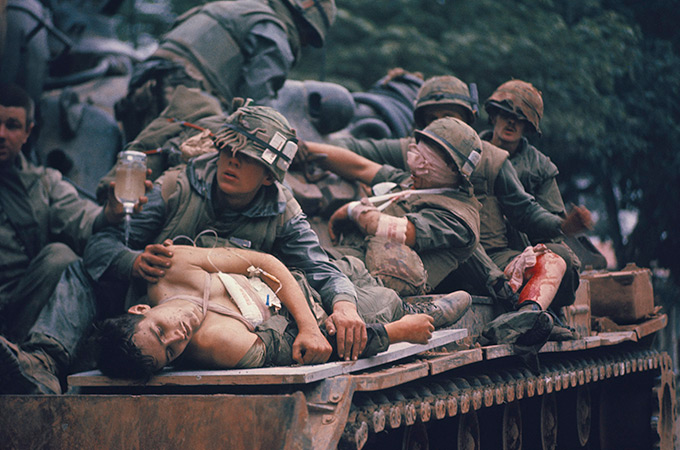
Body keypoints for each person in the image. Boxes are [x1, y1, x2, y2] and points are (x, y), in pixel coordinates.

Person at [0, 104, 372, 395]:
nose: (233, 161)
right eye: (228, 150)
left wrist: (344, 305)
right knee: (77, 268)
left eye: (248, 158)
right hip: (149, 312)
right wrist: (132, 262)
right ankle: (44, 362)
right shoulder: (176, 186)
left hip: (222, 326)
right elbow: (102, 244)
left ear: (270, 174)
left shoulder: (283, 212)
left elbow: (320, 267)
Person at [95, 244, 470, 380]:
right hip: (319, 317)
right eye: (172, 351)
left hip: (299, 285)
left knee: (353, 263)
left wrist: (306, 322)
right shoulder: (218, 343)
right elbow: (316, 347)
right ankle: (411, 308)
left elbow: (263, 261)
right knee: (384, 299)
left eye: (161, 330)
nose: (179, 336)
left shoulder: (172, 268)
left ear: (141, 308)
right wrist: (397, 332)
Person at [0, 83, 148, 340]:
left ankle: (23, 355)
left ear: (27, 133)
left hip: (19, 303)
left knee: (60, 256)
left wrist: (110, 213)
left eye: (12, 126)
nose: (1, 134)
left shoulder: (42, 183)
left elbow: (80, 217)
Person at [115, 0, 336, 142]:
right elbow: (258, 106)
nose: (305, 44)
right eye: (309, 37)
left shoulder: (237, 6)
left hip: (142, 87)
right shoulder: (272, 30)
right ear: (302, 22)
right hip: (185, 96)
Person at [322, 116, 483, 297]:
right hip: (351, 261)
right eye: (417, 153)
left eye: (426, 161)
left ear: (453, 169)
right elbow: (359, 167)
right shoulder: (414, 184)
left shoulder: (457, 218)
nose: (414, 165)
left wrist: (353, 210)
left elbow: (389, 229)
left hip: (378, 290)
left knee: (311, 272)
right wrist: (305, 149)